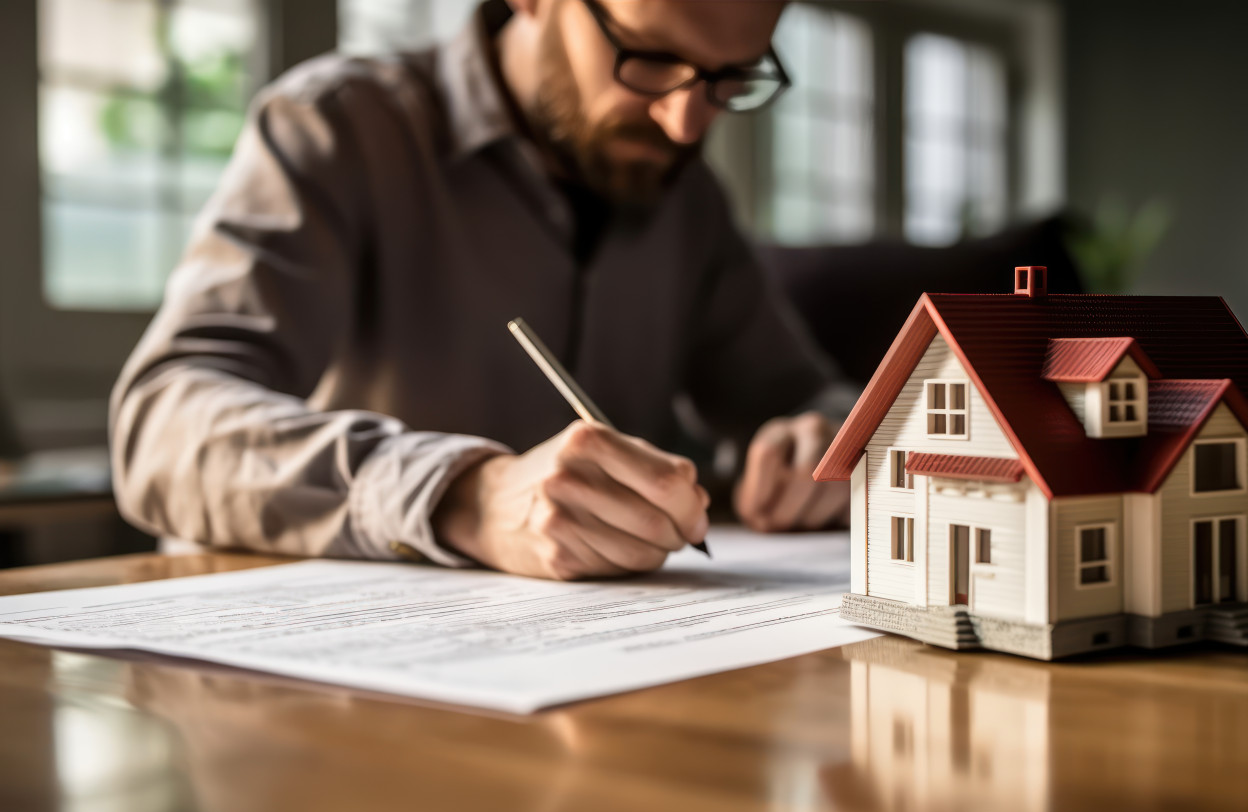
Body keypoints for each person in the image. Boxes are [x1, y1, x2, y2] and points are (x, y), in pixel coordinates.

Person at [109, 0, 853, 582]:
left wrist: (826, 442)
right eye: (651, 57)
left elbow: (802, 396)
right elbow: (160, 424)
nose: (686, 122)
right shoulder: (337, 128)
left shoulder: (689, 201)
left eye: (732, 77)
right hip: (334, 697)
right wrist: (466, 495)